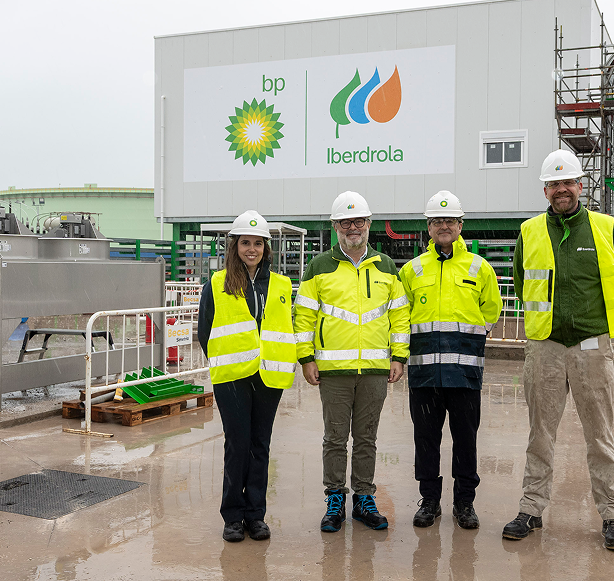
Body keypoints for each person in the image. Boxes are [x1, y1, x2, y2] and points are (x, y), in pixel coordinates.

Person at [502, 149, 614, 551]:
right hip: (545, 347)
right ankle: (531, 508)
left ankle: (612, 515)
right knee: (540, 434)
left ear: (581, 185)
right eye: (554, 184)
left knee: (600, 436)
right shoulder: (529, 232)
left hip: (592, 346)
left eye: (568, 183)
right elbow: (521, 278)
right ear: (545, 190)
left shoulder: (605, 228)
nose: (561, 190)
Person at [293, 190, 410, 532]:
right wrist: (306, 358)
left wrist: (399, 357)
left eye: (359, 220)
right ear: (335, 226)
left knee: (366, 438)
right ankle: (334, 500)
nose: (353, 227)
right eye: (346, 222)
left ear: (369, 224)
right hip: (332, 371)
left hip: (375, 370)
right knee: (334, 438)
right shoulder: (318, 267)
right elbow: (303, 318)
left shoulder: (386, 266)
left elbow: (400, 316)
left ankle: (363, 498)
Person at [399, 190, 503, 530]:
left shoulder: (479, 267)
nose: (444, 226)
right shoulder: (412, 270)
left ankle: (464, 504)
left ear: (460, 225)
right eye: (437, 221)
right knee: (426, 439)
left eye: (450, 221)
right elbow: (401, 316)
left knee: (465, 438)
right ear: (428, 227)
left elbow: (491, 309)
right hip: (424, 374)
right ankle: (429, 501)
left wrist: (471, 340)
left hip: (465, 372)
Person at [197, 210, 297, 542]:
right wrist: (227, 362)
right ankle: (232, 516)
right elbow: (204, 332)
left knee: (260, 445)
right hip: (232, 378)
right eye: (245, 243)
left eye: (257, 243)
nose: (251, 249)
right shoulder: (217, 282)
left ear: (266, 248)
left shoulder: (282, 285)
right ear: (234, 246)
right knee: (236, 444)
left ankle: (256, 516)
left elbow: (285, 327)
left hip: (268, 377)